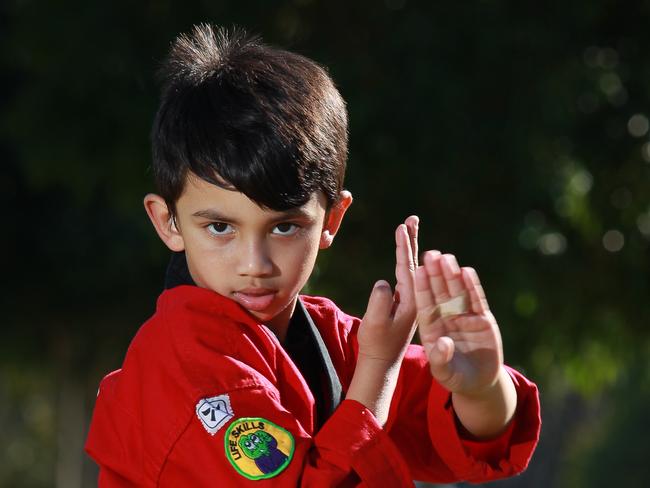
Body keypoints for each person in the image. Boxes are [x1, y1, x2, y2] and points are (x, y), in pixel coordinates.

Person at [85, 24, 540, 487]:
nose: (254, 263)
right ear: (168, 222)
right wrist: (378, 370)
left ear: (331, 220)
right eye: (220, 227)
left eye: (284, 226)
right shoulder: (180, 365)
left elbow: (455, 431)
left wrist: (481, 386)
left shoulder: (331, 340)